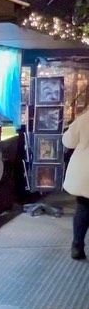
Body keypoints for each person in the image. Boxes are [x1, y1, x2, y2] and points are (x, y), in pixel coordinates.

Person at [61, 108, 89, 259]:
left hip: (85, 173)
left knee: (84, 208)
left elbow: (68, 141)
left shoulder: (85, 118)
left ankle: (77, 246)